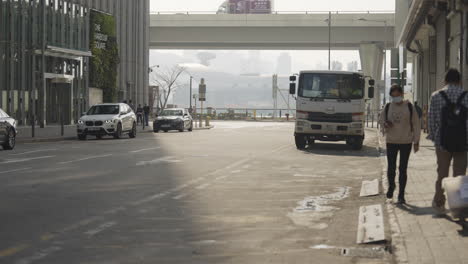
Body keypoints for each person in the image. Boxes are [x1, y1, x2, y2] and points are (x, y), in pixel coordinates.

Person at [428, 68, 468, 214]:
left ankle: (439, 204)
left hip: (442, 142)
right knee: (460, 175)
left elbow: (431, 120)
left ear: (445, 80)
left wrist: (434, 138)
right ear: (459, 81)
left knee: (442, 173)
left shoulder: (436, 96)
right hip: (463, 142)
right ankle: (459, 207)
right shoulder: (466, 96)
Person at [380, 84, 421, 204]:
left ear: (402, 95)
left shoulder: (409, 106)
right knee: (391, 168)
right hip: (391, 141)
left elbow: (416, 124)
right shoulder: (388, 107)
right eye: (393, 96)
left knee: (403, 169)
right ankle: (391, 186)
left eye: (397, 96)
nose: (395, 98)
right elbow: (381, 120)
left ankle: (401, 195)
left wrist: (416, 141)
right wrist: (385, 125)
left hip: (406, 142)